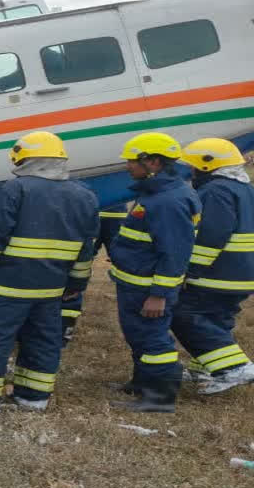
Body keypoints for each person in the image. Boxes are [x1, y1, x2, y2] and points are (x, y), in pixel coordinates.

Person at [0, 132, 98, 414]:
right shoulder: (84, 195)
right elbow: (86, 246)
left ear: (22, 157)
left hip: (4, 287)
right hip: (49, 290)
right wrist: (77, 282)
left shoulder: (16, 189)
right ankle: (33, 397)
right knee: (42, 341)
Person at [108, 133, 200, 413]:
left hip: (147, 288)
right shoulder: (156, 194)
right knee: (139, 336)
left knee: (152, 339)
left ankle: (159, 399)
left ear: (154, 163)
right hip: (135, 284)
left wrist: (159, 295)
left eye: (132, 161)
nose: (127, 166)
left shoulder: (167, 202)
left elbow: (173, 253)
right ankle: (142, 383)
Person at [171, 138, 254, 394]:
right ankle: (206, 367)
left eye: (194, 167)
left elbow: (212, 235)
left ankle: (234, 368)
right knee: (216, 317)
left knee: (185, 315)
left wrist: (190, 270)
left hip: (219, 273)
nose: (191, 172)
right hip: (242, 272)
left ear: (207, 167)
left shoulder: (216, 191)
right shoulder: (244, 188)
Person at [58, 200, 127, 344]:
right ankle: (64, 331)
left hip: (86, 212)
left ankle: (62, 329)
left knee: (73, 267)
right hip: (114, 210)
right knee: (80, 268)